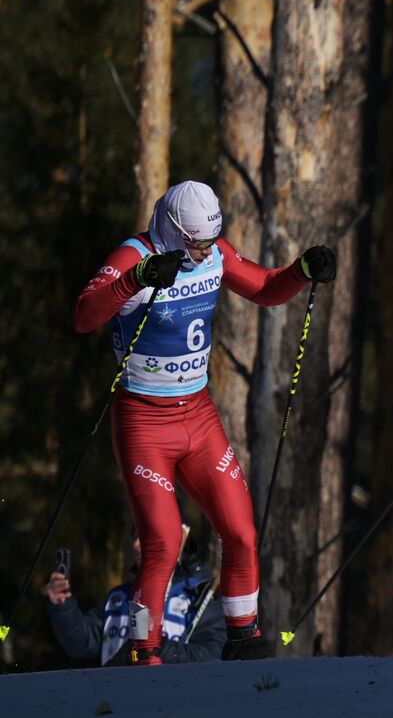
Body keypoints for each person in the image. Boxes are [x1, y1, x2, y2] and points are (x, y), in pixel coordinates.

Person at [72, 181, 336, 665]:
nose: (202, 253)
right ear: (172, 231)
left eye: (209, 242)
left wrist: (302, 270)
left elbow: (264, 287)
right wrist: (137, 279)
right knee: (163, 542)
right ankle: (142, 651)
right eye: (193, 243)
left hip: (198, 416)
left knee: (240, 531)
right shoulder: (134, 255)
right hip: (143, 423)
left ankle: (242, 638)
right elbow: (85, 316)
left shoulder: (214, 252)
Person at [44, 534, 225, 665]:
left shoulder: (200, 597)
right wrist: (62, 606)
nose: (137, 544)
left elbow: (213, 655)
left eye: (145, 533)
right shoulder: (120, 597)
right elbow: (81, 643)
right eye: (134, 535)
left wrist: (156, 647)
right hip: (117, 699)